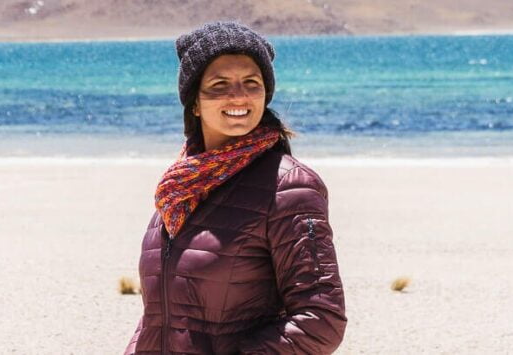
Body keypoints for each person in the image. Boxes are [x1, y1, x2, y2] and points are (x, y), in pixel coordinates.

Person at [124, 20, 346, 354]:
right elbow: (159, 317)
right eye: (219, 84)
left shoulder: (290, 188)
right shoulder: (179, 189)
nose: (238, 95)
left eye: (251, 83)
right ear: (195, 102)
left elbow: (321, 319)